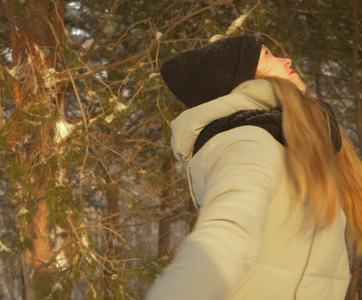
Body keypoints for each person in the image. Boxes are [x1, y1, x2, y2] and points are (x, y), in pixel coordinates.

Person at [146, 34, 362, 299]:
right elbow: (227, 232)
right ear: (244, 80)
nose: (286, 59)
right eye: (268, 54)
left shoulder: (289, 143)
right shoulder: (246, 138)